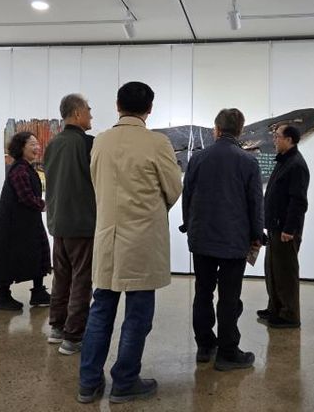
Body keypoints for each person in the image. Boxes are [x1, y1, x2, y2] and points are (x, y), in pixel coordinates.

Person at [78, 81, 182, 404]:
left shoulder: (101, 142)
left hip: (108, 237)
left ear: (117, 105)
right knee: (137, 314)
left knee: (100, 310)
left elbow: (96, 184)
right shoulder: (158, 143)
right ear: (149, 109)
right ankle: (124, 381)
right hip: (142, 241)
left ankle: (88, 383)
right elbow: (174, 189)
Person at [181, 108, 264, 371]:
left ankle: (205, 346)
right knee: (230, 297)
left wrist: (188, 225)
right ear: (240, 130)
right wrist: (256, 235)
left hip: (202, 237)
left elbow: (187, 195)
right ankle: (228, 351)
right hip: (234, 239)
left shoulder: (198, 158)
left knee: (203, 293)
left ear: (216, 129)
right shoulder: (248, 161)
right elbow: (255, 203)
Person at [43, 94, 96, 356]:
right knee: (81, 280)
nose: (91, 115)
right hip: (82, 222)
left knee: (62, 277)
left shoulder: (53, 144)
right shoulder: (88, 144)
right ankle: (73, 337)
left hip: (58, 222)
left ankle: (57, 327)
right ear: (77, 113)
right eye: (88, 110)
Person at [0, 132, 51, 310]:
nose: (37, 147)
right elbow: (25, 197)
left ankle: (38, 292)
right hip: (14, 224)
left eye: (37, 144)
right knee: (9, 258)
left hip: (25, 222)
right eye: (32, 144)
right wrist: (43, 205)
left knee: (36, 253)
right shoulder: (20, 170)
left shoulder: (25, 168)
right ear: (21, 147)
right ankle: (4, 297)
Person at [260, 124, 309, 328]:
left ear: (289, 140)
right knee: (273, 270)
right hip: (275, 226)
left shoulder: (296, 164)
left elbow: (298, 201)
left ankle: (289, 315)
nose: (274, 139)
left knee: (286, 273)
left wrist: (289, 229)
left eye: (277, 136)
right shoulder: (284, 161)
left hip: (285, 230)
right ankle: (275, 307)